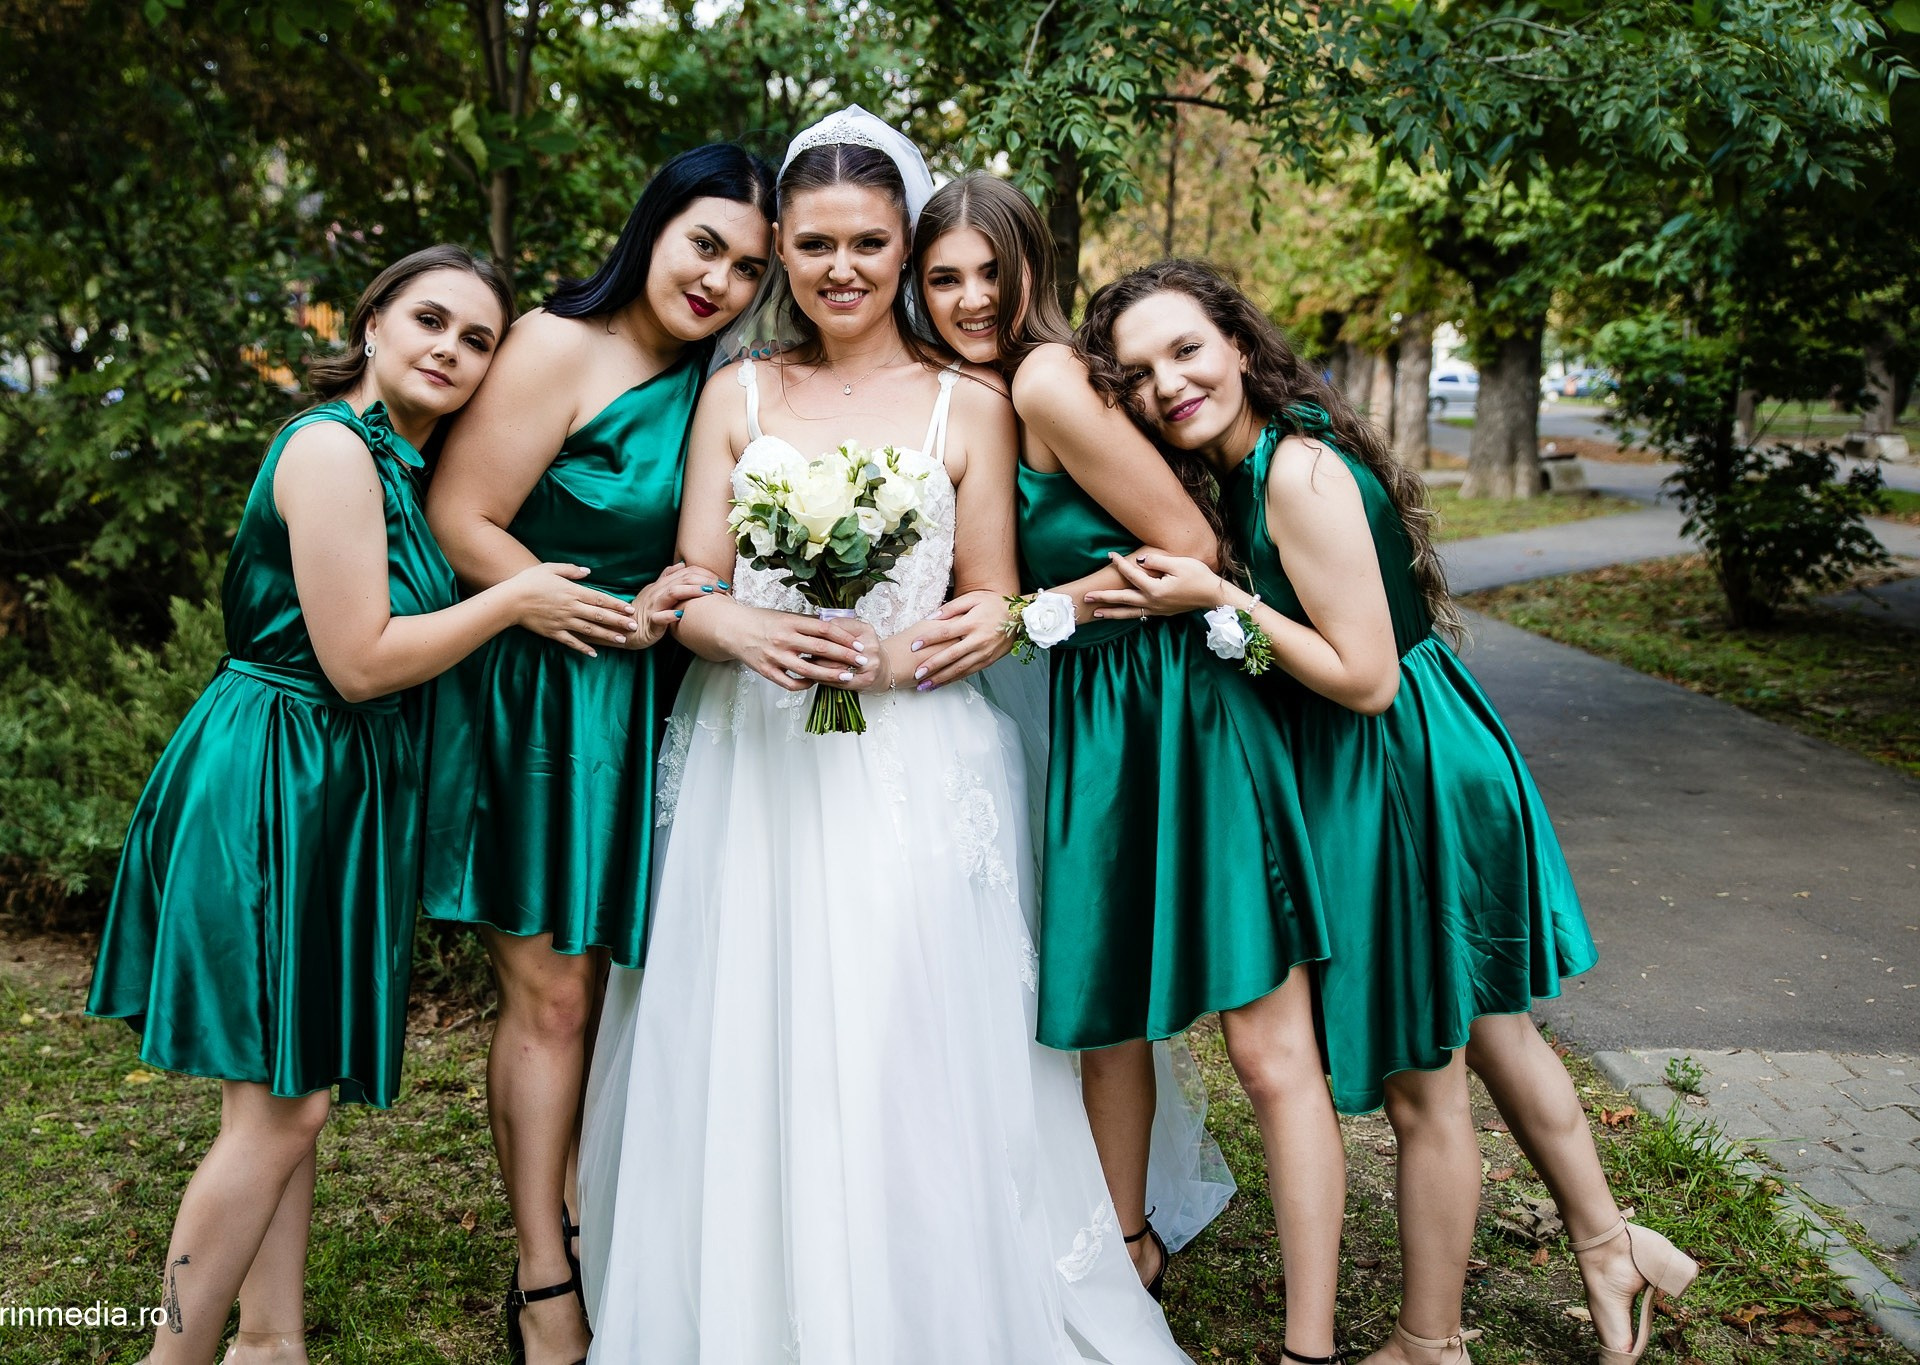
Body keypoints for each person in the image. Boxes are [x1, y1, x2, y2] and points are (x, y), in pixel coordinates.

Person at [578, 108, 1190, 1365]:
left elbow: (995, 600)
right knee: (746, 1029)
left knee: (910, 1029)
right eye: (811, 245)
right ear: (783, 252)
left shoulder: (969, 402)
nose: (839, 269)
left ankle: (927, 1291)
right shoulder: (734, 391)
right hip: (752, 756)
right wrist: (731, 628)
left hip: (915, 762)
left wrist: (913, 651)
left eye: (867, 242)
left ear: (903, 244)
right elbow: (688, 579)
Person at [1076, 258, 1697, 1365]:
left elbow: (1361, 678)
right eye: (1133, 375)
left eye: (1183, 351)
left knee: (1425, 1079)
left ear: (1234, 342)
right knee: (1489, 1028)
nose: (1166, 384)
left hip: (1396, 766)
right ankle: (1609, 1247)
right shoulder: (1254, 458)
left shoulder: (1292, 471)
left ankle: (1428, 1344)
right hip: (1409, 747)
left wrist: (1217, 595)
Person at [87, 245, 597, 1365]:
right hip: (273, 777)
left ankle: (269, 1344)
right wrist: (513, 597)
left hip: (337, 786)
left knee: (284, 1085)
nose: (450, 350)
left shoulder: (406, 468)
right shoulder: (330, 451)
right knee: (285, 1108)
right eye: (429, 319)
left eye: (476, 341)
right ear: (370, 323)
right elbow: (359, 661)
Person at [911, 176, 1342, 1365]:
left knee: (1262, 1041)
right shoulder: (976, 401)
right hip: (1097, 718)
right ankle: (1125, 1247)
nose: (969, 299)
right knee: (1105, 1016)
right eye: (943, 277)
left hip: (1177, 703)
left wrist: (1032, 608)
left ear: (1031, 271)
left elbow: (1191, 545)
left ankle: (1308, 1344)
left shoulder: (1047, 378)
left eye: (990, 272)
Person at [419, 143, 775, 1365]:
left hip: (651, 703)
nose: (719, 280)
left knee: (611, 994)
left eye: (745, 269)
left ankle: (581, 1212)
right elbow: (457, 513)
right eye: (704, 245)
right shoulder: (555, 346)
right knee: (553, 994)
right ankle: (541, 1276)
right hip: (542, 701)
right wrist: (549, 600)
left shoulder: (722, 384)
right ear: (655, 227)